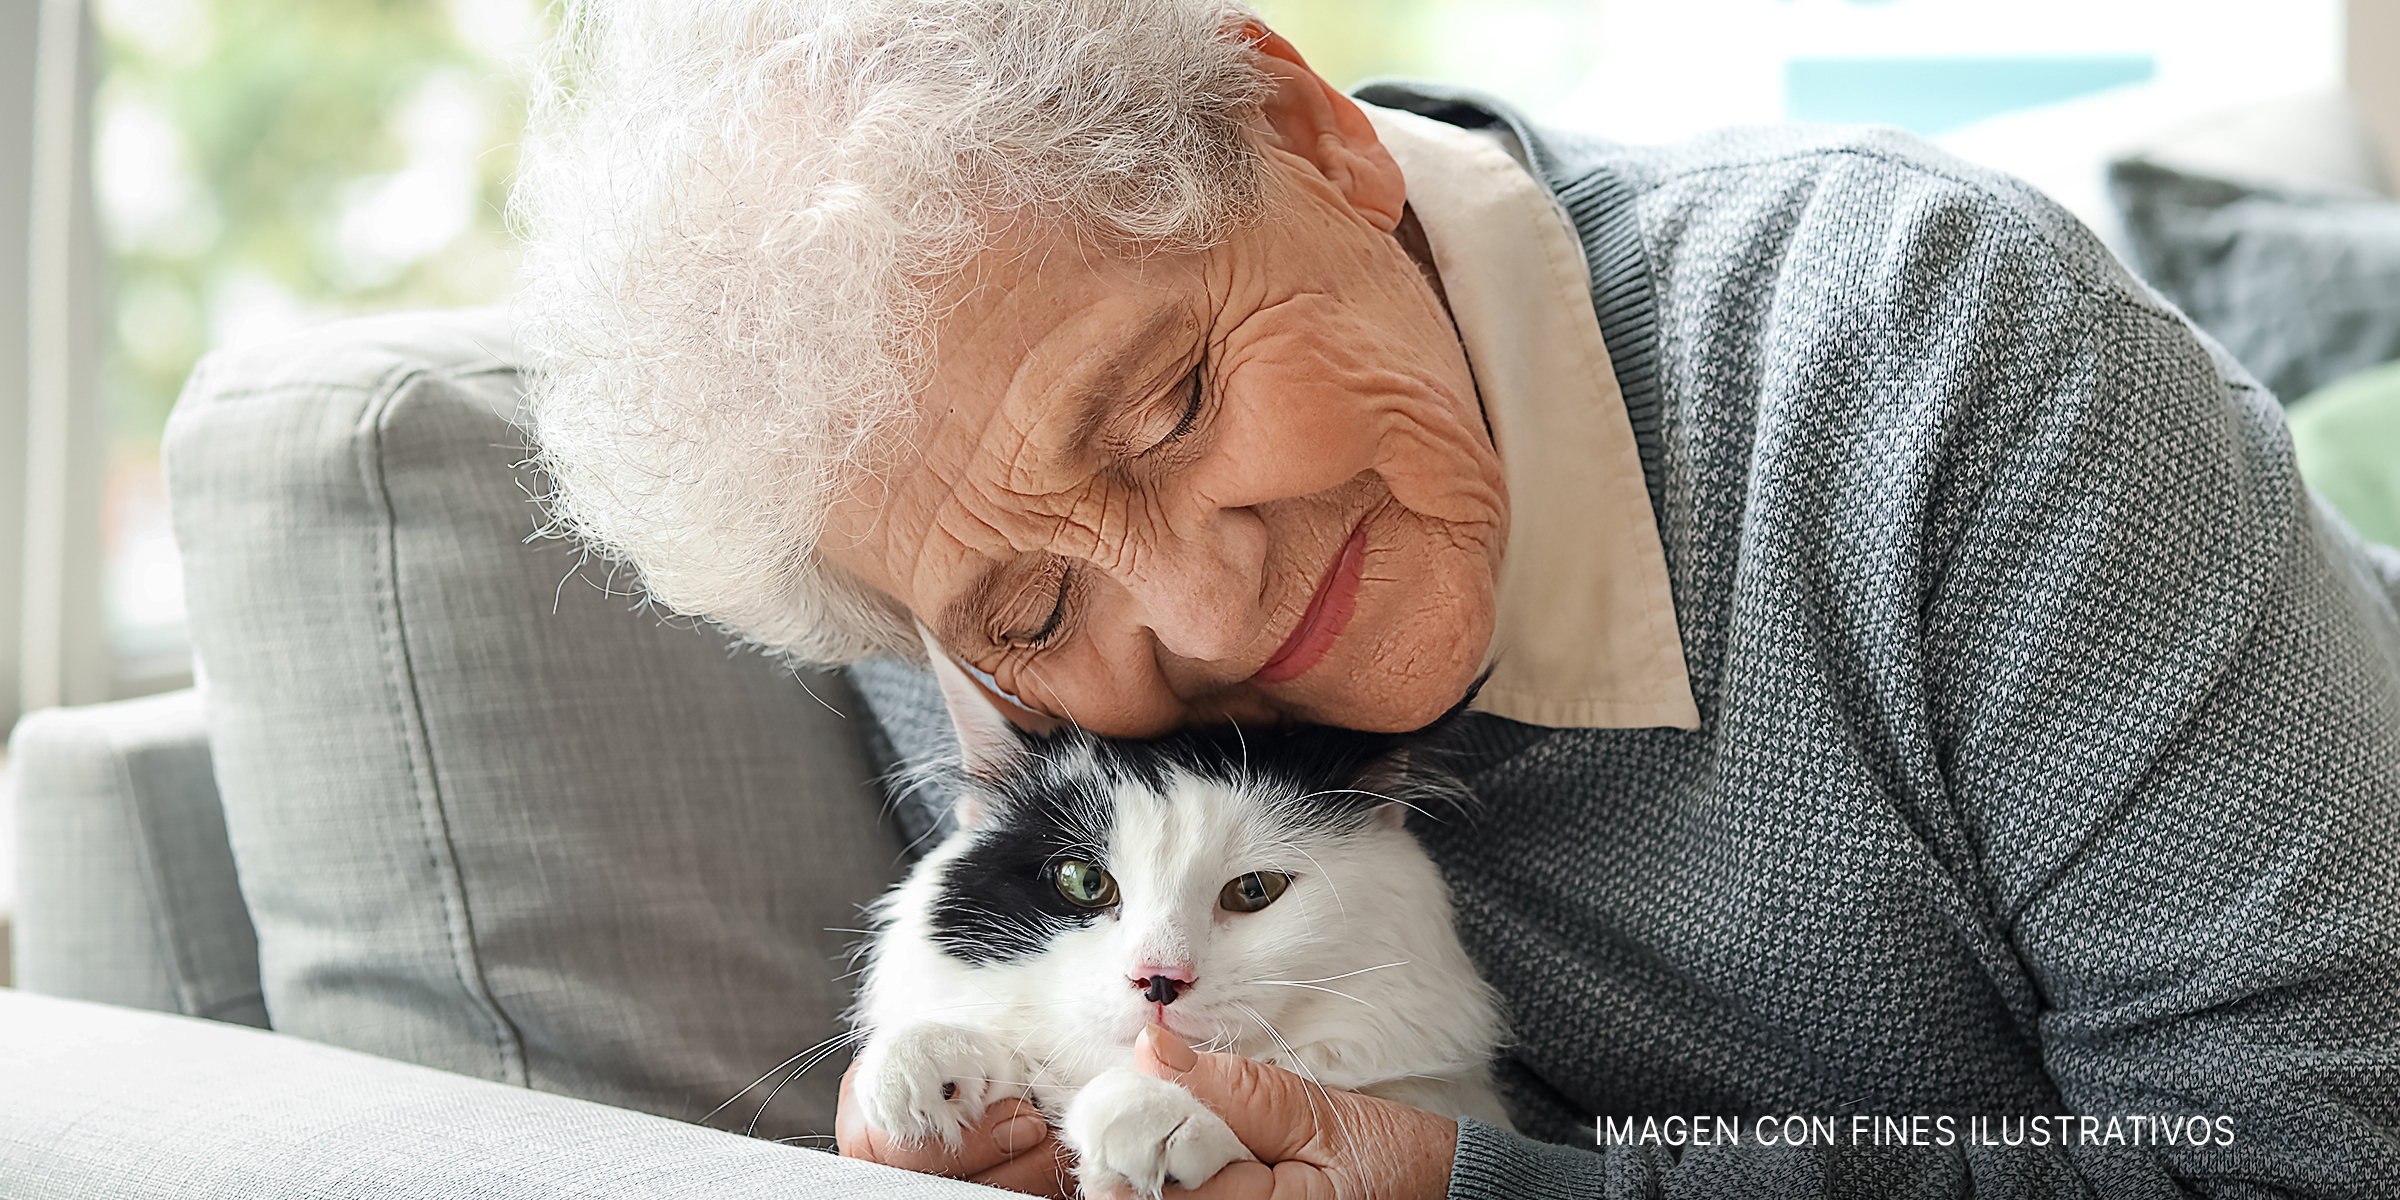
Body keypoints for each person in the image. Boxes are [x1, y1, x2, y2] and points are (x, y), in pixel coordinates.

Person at [513, 2, 2400, 1196]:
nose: (1199, 605)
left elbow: (2318, 1164)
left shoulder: (1945, 351)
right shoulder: (992, 635)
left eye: (1170, 403)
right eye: (1023, 605)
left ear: (1307, 137)